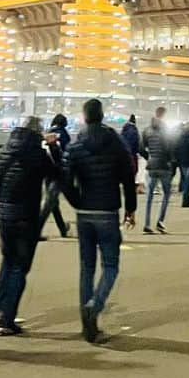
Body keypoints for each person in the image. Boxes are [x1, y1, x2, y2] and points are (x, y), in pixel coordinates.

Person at [63, 98, 136, 343]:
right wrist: (130, 209)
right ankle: (96, 304)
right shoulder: (115, 141)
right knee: (111, 266)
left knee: (87, 268)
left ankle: (88, 327)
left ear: (84, 117)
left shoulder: (76, 143)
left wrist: (76, 201)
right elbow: (128, 175)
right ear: (102, 115)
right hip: (107, 211)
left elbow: (65, 177)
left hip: (84, 214)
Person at [0, 116, 61, 334]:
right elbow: (58, 174)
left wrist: (2, 205)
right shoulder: (37, 154)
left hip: (4, 212)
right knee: (20, 266)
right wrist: (53, 147)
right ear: (38, 133)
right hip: (25, 215)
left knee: (7, 261)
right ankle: (7, 319)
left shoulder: (4, 150)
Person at [38, 113, 71, 239]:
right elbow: (66, 153)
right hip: (59, 172)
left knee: (53, 203)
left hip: (46, 171)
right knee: (50, 203)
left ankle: (62, 228)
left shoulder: (47, 133)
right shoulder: (63, 134)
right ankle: (37, 229)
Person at [142, 107, 174, 234]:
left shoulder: (146, 130)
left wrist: (149, 157)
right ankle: (160, 222)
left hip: (151, 166)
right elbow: (170, 147)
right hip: (164, 166)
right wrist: (170, 160)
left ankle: (147, 224)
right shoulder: (166, 130)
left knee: (149, 196)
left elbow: (140, 147)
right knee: (166, 194)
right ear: (163, 115)